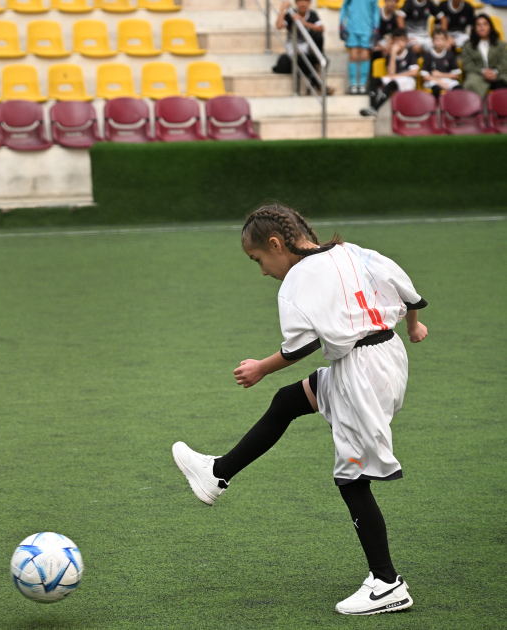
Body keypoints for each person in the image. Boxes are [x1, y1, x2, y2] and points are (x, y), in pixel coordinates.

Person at [172, 203, 428, 616]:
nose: (262, 271)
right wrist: (413, 325)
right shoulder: (352, 252)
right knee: (290, 401)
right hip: (388, 359)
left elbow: (302, 346)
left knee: (353, 479)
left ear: (276, 244)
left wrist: (261, 367)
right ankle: (217, 473)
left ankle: (387, 583)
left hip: (360, 376)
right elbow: (410, 292)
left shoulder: (298, 280)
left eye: (258, 259)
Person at [273, 0, 333, 93]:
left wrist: (303, 22)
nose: (303, 4)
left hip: (307, 47)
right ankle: (318, 84)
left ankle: (317, 68)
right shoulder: (291, 14)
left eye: (305, 1)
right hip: (293, 47)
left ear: (309, 3)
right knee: (299, 58)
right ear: (296, 3)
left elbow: (321, 28)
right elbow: (279, 26)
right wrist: (283, 9)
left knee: (318, 38)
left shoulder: (312, 14)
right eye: (300, 1)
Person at [361, 28, 419, 116]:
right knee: (375, 81)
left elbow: (414, 72)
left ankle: (375, 108)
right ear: (393, 42)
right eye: (396, 41)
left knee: (391, 84)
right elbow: (391, 73)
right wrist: (393, 54)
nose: (399, 43)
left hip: (408, 81)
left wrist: (396, 76)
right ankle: (372, 107)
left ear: (406, 42)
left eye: (402, 40)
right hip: (394, 78)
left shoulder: (411, 54)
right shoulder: (390, 55)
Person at [460, 14, 507, 97]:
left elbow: (504, 61)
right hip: (477, 75)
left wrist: (494, 72)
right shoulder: (468, 46)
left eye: (485, 24)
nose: (482, 27)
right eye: (478, 25)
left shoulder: (500, 44)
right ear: (474, 29)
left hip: (498, 74)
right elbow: (467, 64)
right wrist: (483, 71)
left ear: (490, 27)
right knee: (471, 84)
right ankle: (475, 105)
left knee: (502, 85)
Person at [340, 0, 380, 93]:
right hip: (352, 28)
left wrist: (376, 27)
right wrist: (341, 24)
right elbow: (344, 7)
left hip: (367, 28)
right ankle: (353, 84)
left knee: (365, 55)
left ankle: (363, 84)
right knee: (353, 55)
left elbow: (375, 11)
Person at [422, 29, 462, 97]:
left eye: (442, 39)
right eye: (436, 39)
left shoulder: (450, 55)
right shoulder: (428, 55)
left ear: (446, 41)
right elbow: (425, 76)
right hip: (433, 81)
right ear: (432, 41)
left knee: (458, 88)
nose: (439, 42)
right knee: (435, 88)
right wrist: (439, 81)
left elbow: (455, 75)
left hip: (448, 80)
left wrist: (440, 74)